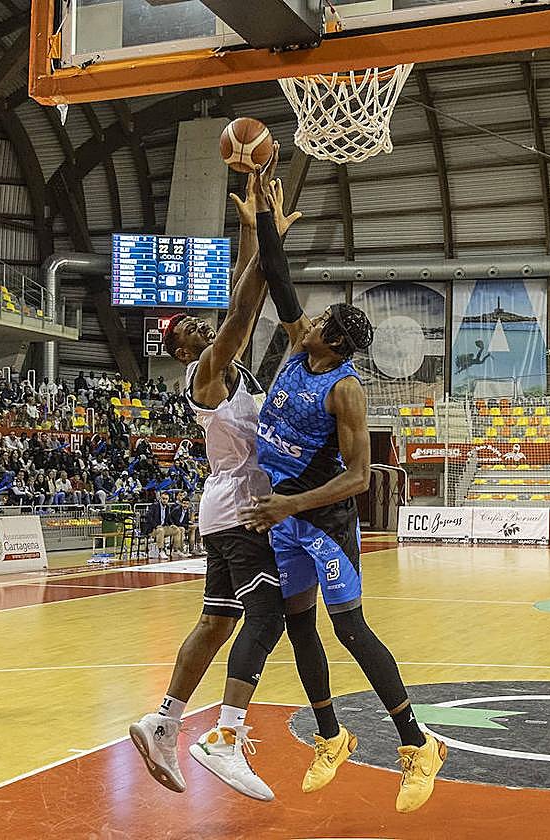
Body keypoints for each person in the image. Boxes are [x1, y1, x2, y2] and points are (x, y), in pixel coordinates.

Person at [239, 185, 445, 814]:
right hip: (283, 512)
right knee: (298, 626)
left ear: (335, 345)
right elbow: (279, 281)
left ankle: (416, 746)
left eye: (321, 326)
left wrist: (289, 507)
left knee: (350, 628)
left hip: (322, 519)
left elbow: (359, 478)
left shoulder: (346, 390)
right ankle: (333, 738)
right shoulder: (302, 340)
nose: (307, 326)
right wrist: (265, 222)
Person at [130, 160, 300, 801]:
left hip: (225, 507)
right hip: (241, 510)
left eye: (197, 323)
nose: (197, 327)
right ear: (179, 351)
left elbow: (239, 299)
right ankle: (224, 736)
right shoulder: (206, 371)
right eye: (185, 331)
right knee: (269, 615)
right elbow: (244, 310)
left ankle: (164, 720)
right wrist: (265, 237)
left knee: (215, 621)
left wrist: (253, 229)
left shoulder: (225, 367)